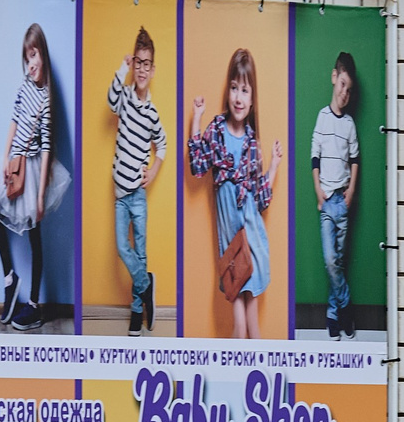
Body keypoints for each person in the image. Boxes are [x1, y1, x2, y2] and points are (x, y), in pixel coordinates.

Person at [187, 48, 281, 342]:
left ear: (252, 99)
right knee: (242, 329)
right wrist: (197, 119)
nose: (239, 97)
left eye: (245, 90)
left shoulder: (253, 143)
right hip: (230, 246)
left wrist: (275, 165)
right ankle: (243, 380)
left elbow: (262, 198)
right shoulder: (216, 129)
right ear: (227, 90)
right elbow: (197, 166)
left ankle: (253, 381)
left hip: (251, 239)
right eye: (234, 88)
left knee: (249, 329)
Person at [0, 23, 72, 330]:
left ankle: (35, 304)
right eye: (27, 57)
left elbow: (49, 144)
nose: (31, 63)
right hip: (17, 162)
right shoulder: (23, 86)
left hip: (36, 168)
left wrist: (39, 195)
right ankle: (10, 279)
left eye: (35, 54)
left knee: (35, 235)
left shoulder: (47, 96)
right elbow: (14, 119)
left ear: (43, 55)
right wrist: (4, 156)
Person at [106, 29, 168, 334]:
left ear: (153, 69)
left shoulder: (152, 113)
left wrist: (154, 170)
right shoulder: (126, 99)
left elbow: (164, 145)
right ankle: (146, 286)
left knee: (140, 252)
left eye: (147, 64)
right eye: (138, 63)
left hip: (138, 195)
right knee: (122, 247)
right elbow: (110, 100)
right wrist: (122, 67)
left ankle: (135, 310)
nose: (142, 69)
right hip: (120, 194)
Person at [310, 51, 361, 339]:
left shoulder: (349, 125)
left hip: (343, 200)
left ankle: (332, 314)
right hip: (326, 201)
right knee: (330, 260)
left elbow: (355, 159)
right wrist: (318, 191)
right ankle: (346, 306)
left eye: (349, 89)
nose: (345, 92)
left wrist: (351, 190)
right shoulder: (322, 118)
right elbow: (314, 157)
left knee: (338, 262)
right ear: (334, 78)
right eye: (342, 84)